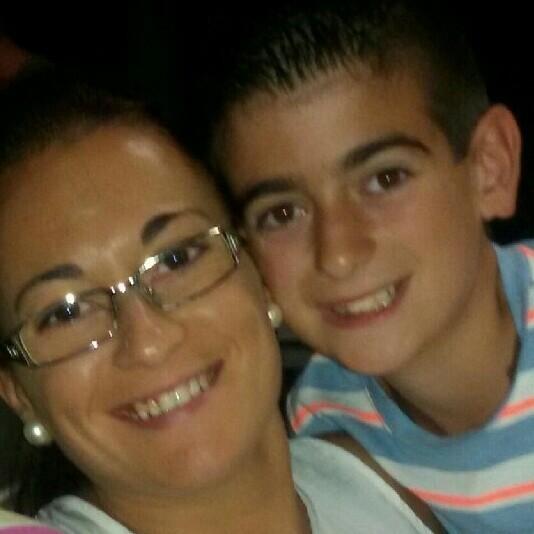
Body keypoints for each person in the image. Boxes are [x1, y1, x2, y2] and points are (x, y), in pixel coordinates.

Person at [0, 68, 440, 533]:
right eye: (66, 312)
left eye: (176, 258)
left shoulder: (405, 482)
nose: (148, 339)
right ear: (17, 393)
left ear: (258, 268)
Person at [201, 0, 534, 531]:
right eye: (282, 213)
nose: (337, 252)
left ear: (489, 168)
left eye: (385, 179)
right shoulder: (325, 427)